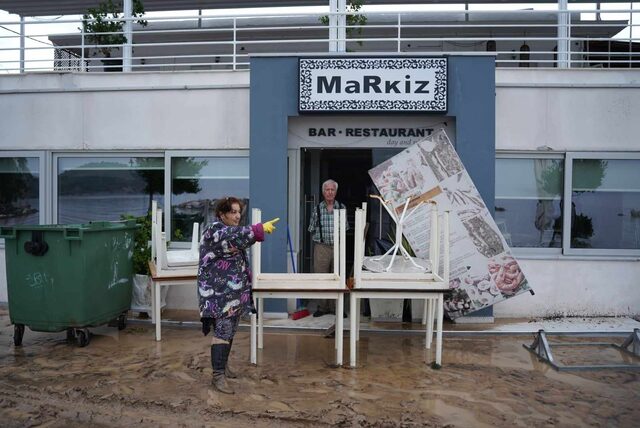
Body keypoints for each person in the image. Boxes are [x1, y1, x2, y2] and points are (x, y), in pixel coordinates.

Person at [198, 197, 278, 394]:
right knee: (222, 331)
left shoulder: (230, 231)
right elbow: (235, 235)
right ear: (222, 214)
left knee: (230, 330)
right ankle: (217, 376)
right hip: (218, 295)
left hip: (233, 294)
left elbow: (239, 239)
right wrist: (258, 229)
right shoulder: (215, 231)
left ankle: (223, 366)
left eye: (239, 212)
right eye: (232, 212)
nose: (237, 216)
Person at [308, 179, 348, 317]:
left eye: (332, 190)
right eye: (327, 190)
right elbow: (311, 228)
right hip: (321, 247)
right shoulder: (317, 209)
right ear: (323, 192)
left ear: (335, 192)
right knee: (321, 277)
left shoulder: (342, 207)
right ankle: (322, 307)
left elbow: (345, 228)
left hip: (338, 246)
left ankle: (336, 308)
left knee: (338, 277)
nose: (330, 192)